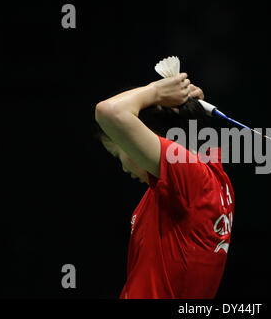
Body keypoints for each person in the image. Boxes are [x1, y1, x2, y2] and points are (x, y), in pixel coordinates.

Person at [95, 73, 235, 299]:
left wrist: (156, 92)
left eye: (118, 150)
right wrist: (184, 104)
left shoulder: (192, 176)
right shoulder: (207, 175)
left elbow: (108, 111)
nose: (122, 166)